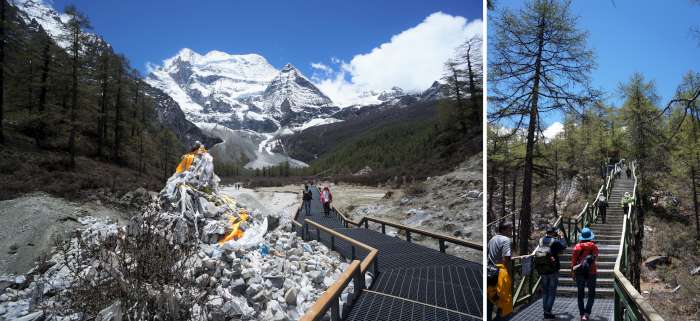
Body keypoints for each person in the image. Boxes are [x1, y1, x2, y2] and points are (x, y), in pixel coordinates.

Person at [535, 227, 567, 320]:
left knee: (545, 291)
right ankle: (548, 312)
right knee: (552, 291)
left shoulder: (541, 240)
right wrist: (562, 236)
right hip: (553, 269)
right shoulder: (555, 241)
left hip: (542, 269)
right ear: (553, 233)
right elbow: (564, 246)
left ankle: (545, 311)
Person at [571, 227, 599, 321]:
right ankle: (587, 313)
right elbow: (594, 258)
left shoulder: (576, 247)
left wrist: (573, 273)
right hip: (592, 272)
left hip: (580, 273)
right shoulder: (594, 247)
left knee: (580, 294)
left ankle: (581, 314)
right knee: (591, 293)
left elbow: (573, 262)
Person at [487, 222, 513, 321]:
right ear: (503, 230)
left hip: (490, 272)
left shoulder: (492, 239)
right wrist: (508, 274)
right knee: (504, 302)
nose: (511, 231)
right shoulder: (506, 240)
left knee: (490, 298)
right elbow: (506, 258)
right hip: (501, 273)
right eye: (509, 229)